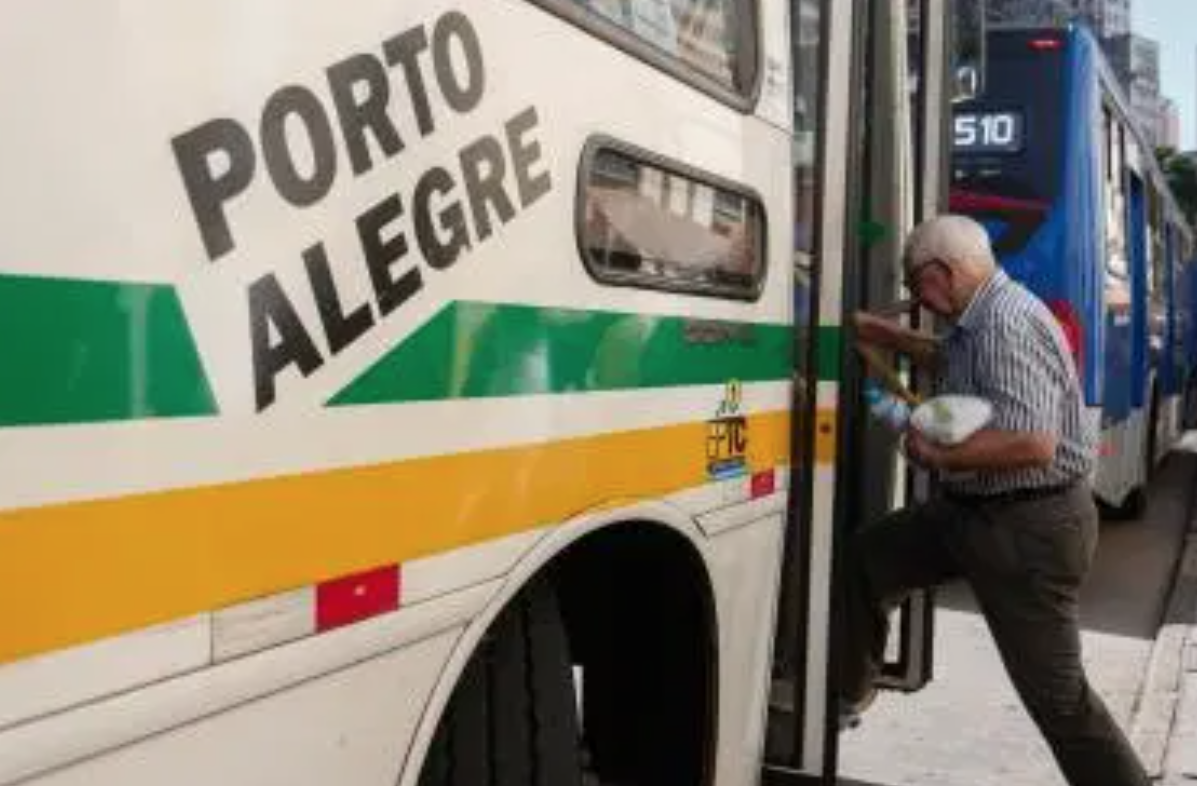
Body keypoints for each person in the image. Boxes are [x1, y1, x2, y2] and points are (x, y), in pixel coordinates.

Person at [841, 215, 1148, 786]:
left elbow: (1033, 443)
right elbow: (951, 358)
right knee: (868, 559)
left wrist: (940, 455)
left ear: (940, 274)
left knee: (1059, 700)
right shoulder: (977, 318)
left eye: (915, 284)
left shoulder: (1006, 324)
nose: (915, 299)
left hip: (1028, 529)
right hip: (971, 514)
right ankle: (843, 696)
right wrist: (884, 334)